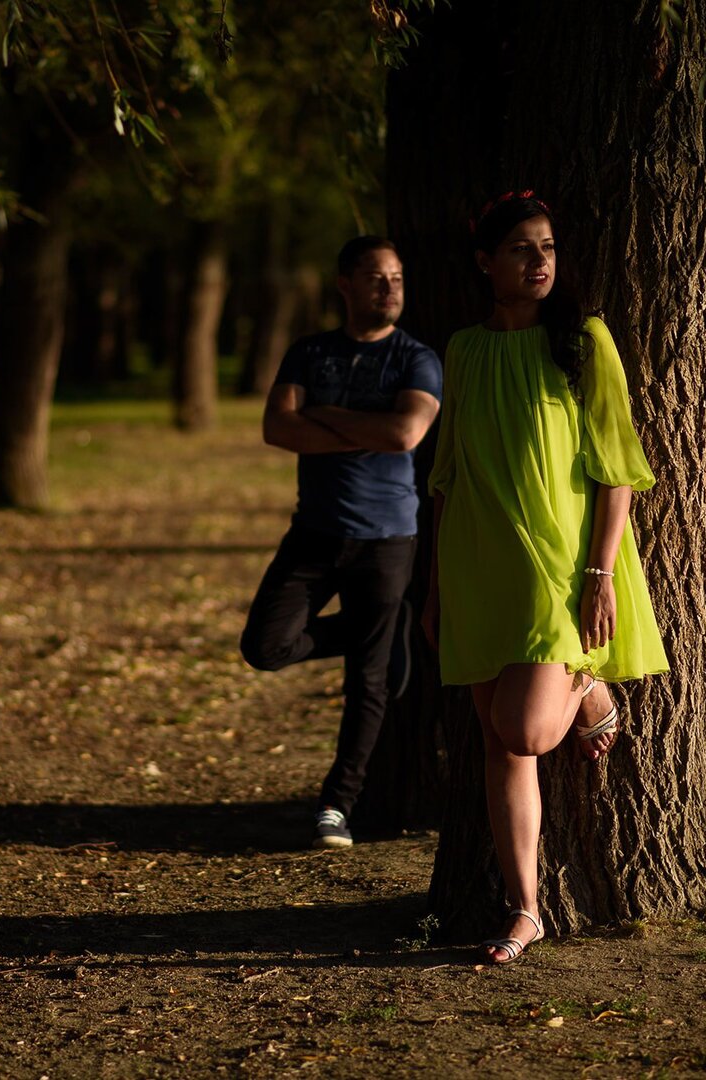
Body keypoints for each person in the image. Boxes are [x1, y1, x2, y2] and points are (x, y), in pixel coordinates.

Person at [420, 192, 669, 963]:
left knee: (524, 727)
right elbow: (450, 476)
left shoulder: (585, 341)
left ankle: (591, 683)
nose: (540, 263)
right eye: (524, 249)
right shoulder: (462, 349)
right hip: (476, 563)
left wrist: (600, 572)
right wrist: (434, 588)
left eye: (550, 248)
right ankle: (525, 909)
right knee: (503, 745)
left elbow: (617, 469)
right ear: (485, 263)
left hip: (558, 568)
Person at [241, 235, 443, 850]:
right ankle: (379, 634)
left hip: (387, 540)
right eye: (377, 278)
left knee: (369, 683)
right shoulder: (310, 352)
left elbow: (405, 433)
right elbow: (278, 428)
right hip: (315, 532)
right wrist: (363, 429)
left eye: (398, 279)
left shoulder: (417, 359)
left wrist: (322, 417)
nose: (390, 289)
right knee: (266, 646)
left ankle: (337, 805)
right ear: (345, 285)